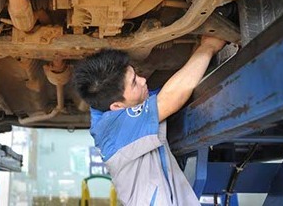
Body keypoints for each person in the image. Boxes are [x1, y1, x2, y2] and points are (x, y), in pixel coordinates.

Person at [73, 36, 226, 205]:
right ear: (116, 106)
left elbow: (176, 87)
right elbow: (170, 99)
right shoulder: (114, 128)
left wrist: (197, 51)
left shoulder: (113, 107)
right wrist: (208, 46)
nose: (143, 80)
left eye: (136, 74)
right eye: (134, 83)